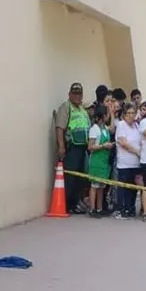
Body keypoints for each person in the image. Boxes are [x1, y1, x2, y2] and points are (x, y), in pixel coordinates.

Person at [54, 82, 90, 214]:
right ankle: (67, 204)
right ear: (69, 94)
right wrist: (61, 146)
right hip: (71, 147)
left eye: (79, 94)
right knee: (70, 177)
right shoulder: (66, 107)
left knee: (81, 178)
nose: (77, 96)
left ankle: (75, 204)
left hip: (83, 147)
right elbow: (59, 128)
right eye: (74, 94)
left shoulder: (82, 110)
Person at [85, 103, 114, 217]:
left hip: (104, 161)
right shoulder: (94, 129)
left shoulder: (105, 128)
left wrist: (112, 113)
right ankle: (92, 209)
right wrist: (103, 146)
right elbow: (90, 147)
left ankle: (99, 208)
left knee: (101, 186)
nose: (107, 117)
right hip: (96, 161)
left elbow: (112, 129)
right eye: (106, 114)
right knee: (94, 186)